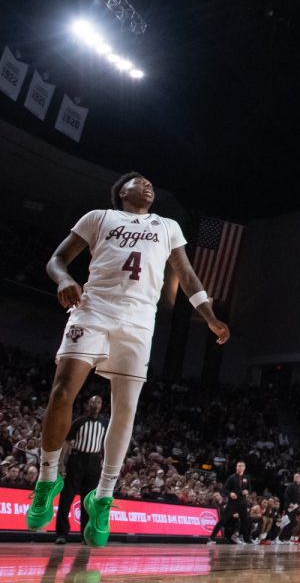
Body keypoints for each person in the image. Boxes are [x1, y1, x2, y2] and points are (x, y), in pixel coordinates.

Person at [26, 172, 230, 548]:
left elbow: (186, 274)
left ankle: (103, 496)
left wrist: (209, 315)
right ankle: (46, 477)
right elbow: (57, 260)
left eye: (151, 183)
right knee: (61, 391)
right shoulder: (98, 217)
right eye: (139, 181)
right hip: (93, 309)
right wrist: (62, 280)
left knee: (125, 411)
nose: (148, 185)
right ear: (122, 192)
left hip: (139, 320)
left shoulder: (167, 226)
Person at [54, 396, 106, 544]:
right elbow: (67, 442)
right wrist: (61, 463)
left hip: (94, 462)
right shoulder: (78, 422)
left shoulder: (105, 424)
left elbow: (106, 445)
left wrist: (106, 462)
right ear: (87, 405)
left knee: (88, 500)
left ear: (101, 405)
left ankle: (85, 535)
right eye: (92, 402)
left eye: (98, 402)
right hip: (77, 460)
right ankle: (61, 534)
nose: (95, 405)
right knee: (67, 497)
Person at [209, 460, 250, 544]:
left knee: (245, 521)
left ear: (244, 468)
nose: (240, 467)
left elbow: (249, 489)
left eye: (242, 466)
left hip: (242, 503)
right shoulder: (232, 477)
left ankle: (245, 539)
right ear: (236, 467)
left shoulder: (247, 478)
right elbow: (224, 489)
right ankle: (211, 538)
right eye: (239, 465)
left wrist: (247, 491)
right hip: (233, 503)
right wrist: (230, 493)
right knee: (223, 519)